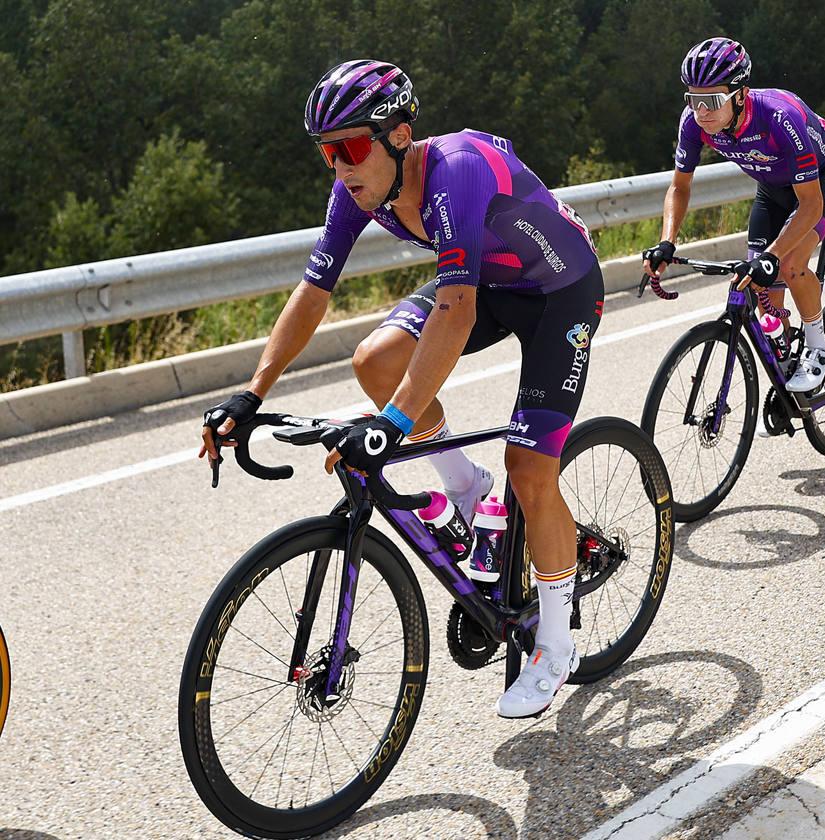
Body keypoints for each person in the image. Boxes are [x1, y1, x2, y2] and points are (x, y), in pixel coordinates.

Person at [199, 59, 604, 718]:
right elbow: (312, 293)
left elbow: (456, 312)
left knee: (530, 469)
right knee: (376, 358)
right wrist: (253, 393)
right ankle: (467, 490)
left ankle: (556, 647)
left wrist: (391, 423)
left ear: (399, 134)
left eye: (351, 148)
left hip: (560, 290)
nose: (339, 167)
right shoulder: (357, 191)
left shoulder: (458, 172)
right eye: (327, 153)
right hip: (490, 284)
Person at [642, 37, 825, 393]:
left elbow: (810, 206)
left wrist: (773, 255)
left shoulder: (779, 118)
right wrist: (666, 241)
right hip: (772, 190)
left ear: (740, 94)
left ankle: (819, 347)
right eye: (692, 100)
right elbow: (679, 187)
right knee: (755, 286)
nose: (701, 111)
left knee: (788, 264)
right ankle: (786, 366)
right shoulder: (694, 124)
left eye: (710, 101)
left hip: (822, 182)